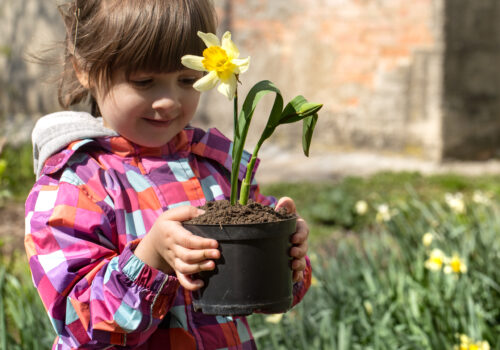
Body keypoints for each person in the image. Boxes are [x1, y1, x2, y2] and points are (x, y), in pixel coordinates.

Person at [25, 0, 312, 348]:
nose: (169, 101)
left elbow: (261, 292)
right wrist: (152, 258)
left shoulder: (216, 166)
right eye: (145, 81)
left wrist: (286, 254)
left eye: (188, 80)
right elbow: (77, 322)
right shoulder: (76, 184)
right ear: (85, 68)